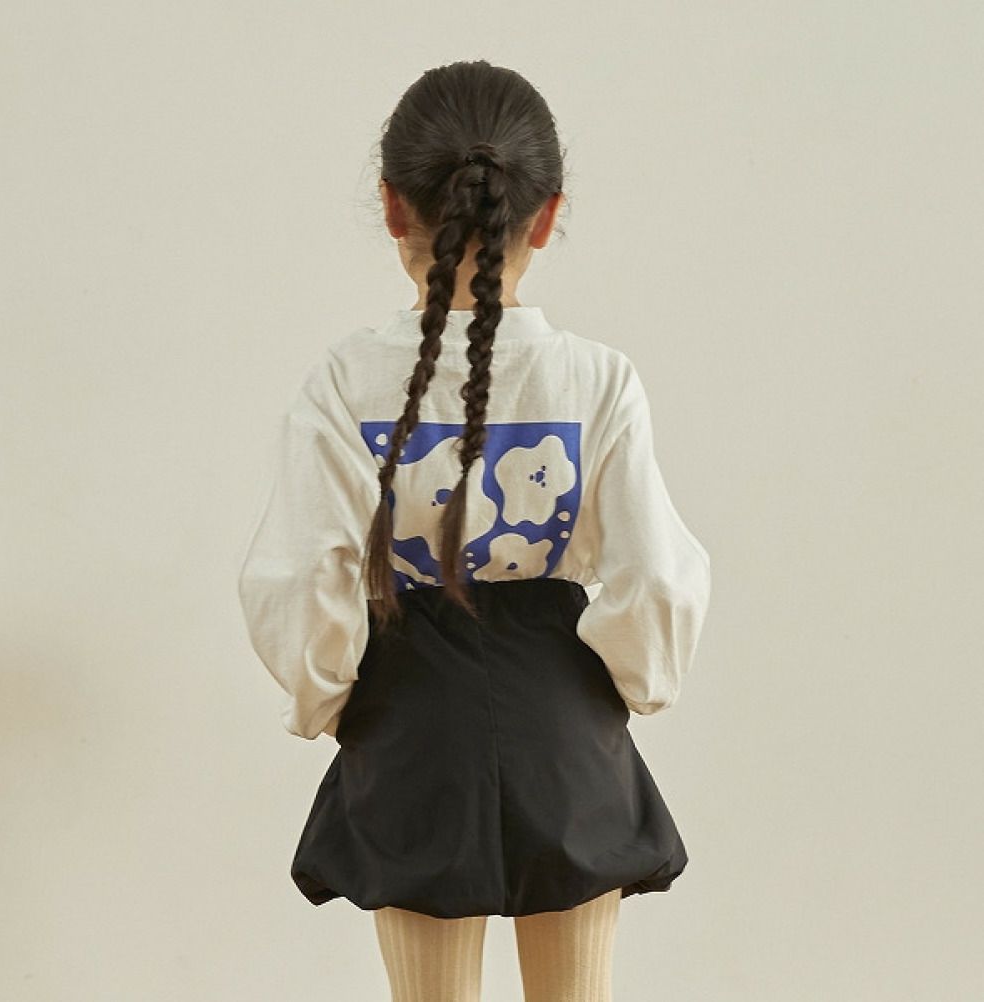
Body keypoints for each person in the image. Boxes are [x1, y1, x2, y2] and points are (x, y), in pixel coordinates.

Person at [237, 58, 712, 1002]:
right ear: (546, 215)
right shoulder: (599, 379)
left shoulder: (345, 380)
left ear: (391, 207)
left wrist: (329, 694)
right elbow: (656, 578)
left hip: (409, 714)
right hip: (563, 720)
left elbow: (297, 573)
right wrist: (624, 682)